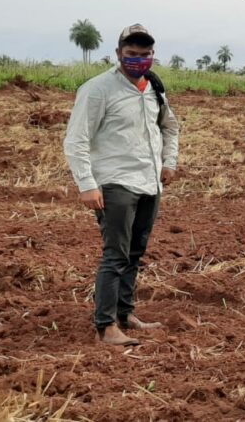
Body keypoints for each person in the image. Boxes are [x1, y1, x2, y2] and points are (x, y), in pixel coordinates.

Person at [63, 23, 180, 346]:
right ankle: (105, 325)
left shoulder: (154, 87)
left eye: (144, 55)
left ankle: (125, 313)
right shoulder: (97, 89)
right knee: (115, 254)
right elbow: (76, 140)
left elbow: (170, 127)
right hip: (114, 182)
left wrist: (169, 162)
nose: (138, 60)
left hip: (148, 183)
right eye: (131, 54)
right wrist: (87, 184)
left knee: (135, 252)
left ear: (152, 56)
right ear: (118, 54)